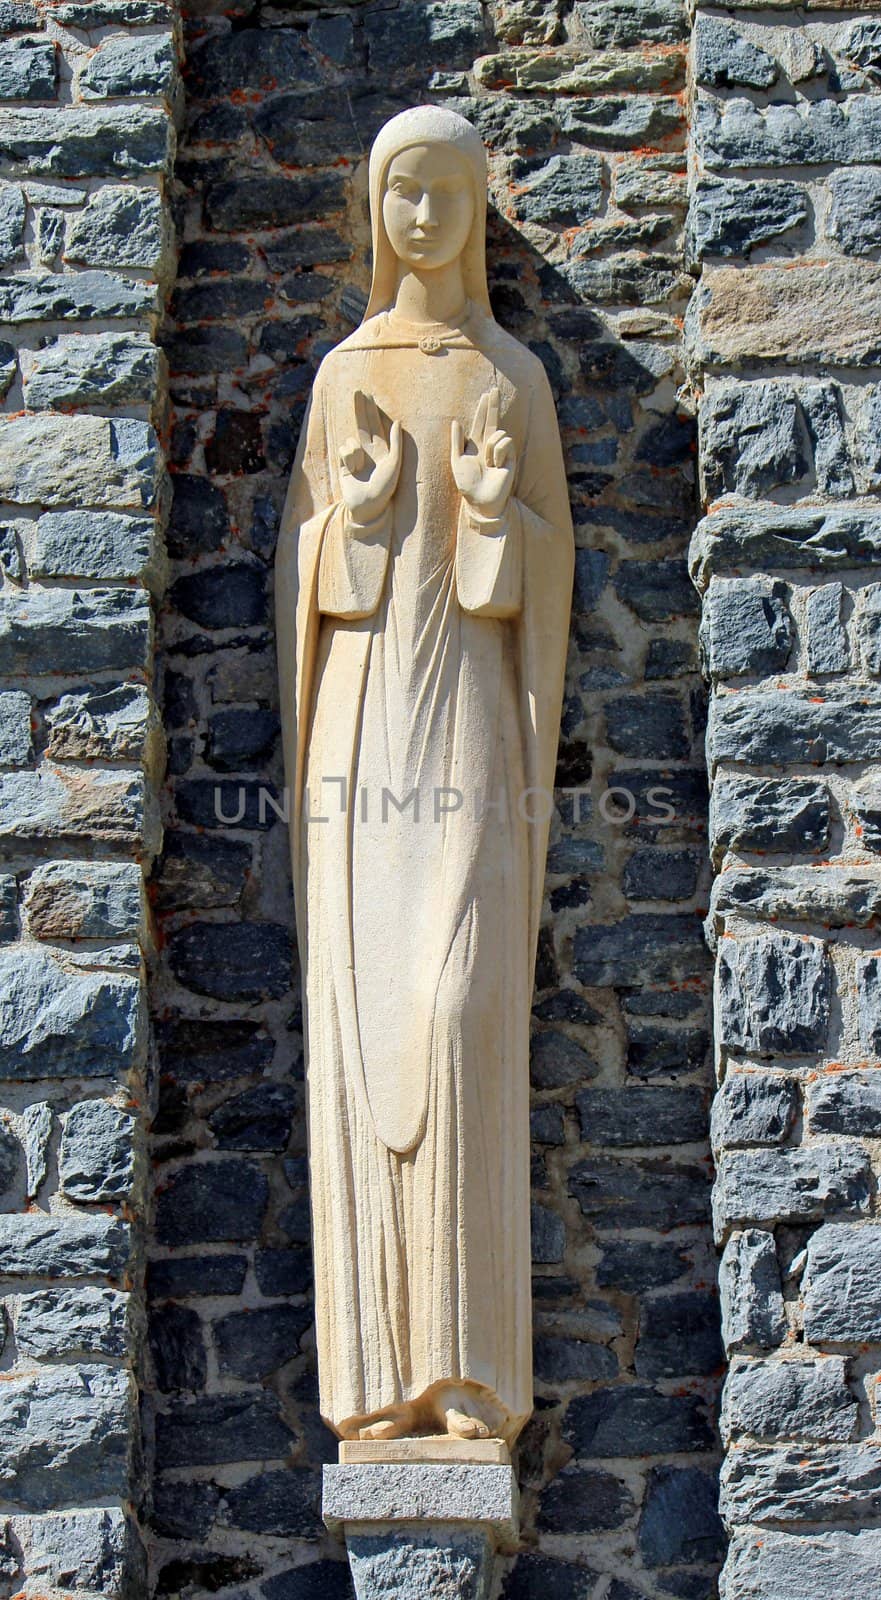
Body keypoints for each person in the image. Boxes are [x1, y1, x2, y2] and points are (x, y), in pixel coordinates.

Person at [276, 104, 574, 1445]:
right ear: (374, 210)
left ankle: (469, 1370)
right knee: (356, 1022)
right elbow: (299, 584)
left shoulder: (511, 376)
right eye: (400, 189)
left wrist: (498, 513)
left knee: (456, 1006)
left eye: (445, 189)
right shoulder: (346, 373)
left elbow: (542, 586)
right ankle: (376, 1381)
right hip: (354, 737)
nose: (421, 215)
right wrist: (359, 517)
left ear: (475, 209)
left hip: (464, 724)